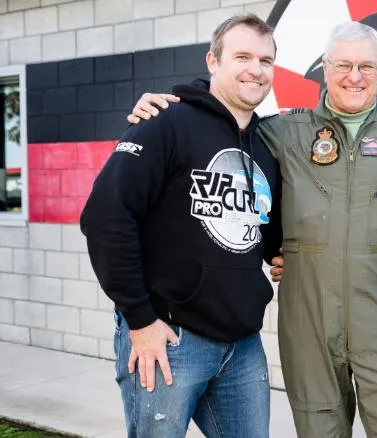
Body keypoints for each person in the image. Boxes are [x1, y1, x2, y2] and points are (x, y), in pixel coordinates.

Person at [128, 21, 377, 438]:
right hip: (309, 318)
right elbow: (227, 118)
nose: (354, 77)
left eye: (366, 66)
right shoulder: (286, 131)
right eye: (343, 65)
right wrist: (173, 105)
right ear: (325, 68)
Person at [81, 14, 282, 437]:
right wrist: (140, 320)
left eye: (265, 60)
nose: (256, 69)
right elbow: (106, 217)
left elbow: (260, 229)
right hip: (169, 338)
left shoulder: (266, 145)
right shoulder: (165, 121)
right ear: (213, 61)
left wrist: (281, 252)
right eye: (242, 57)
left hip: (243, 346)